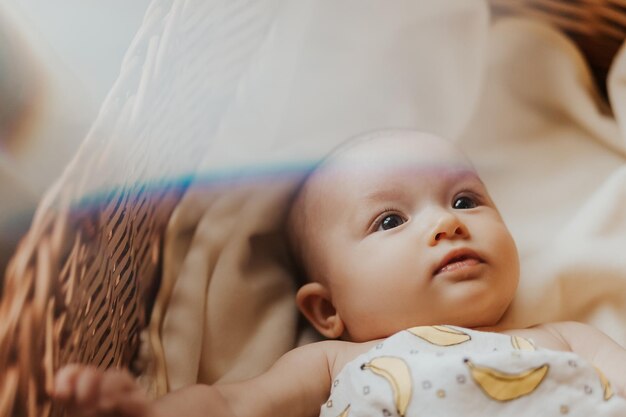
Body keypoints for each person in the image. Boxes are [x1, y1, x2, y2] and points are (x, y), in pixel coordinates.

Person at [52, 130, 626, 417]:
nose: (446, 225)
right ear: (327, 311)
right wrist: (146, 409)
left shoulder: (560, 337)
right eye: (391, 219)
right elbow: (230, 406)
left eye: (465, 201)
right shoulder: (335, 362)